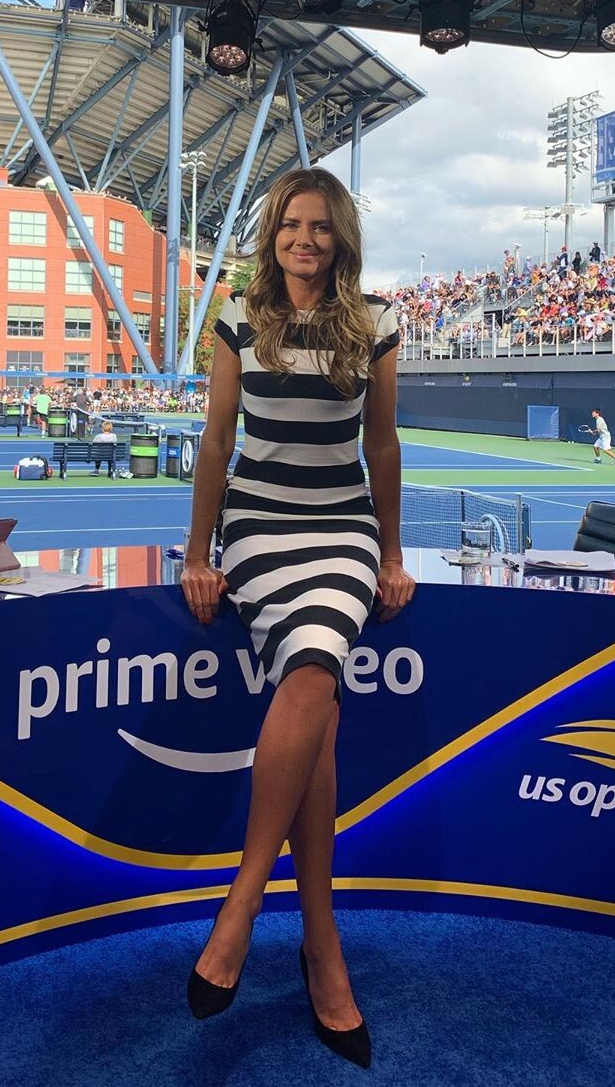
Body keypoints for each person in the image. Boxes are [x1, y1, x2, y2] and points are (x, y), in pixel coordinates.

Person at [179, 167, 415, 1068]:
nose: (304, 240)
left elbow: (382, 444)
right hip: (259, 528)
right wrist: (197, 553)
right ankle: (322, 946)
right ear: (271, 234)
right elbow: (216, 440)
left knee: (313, 666)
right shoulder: (237, 317)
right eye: (290, 225)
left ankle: (242, 904)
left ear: (339, 238)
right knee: (318, 702)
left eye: (319, 226)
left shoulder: (378, 323)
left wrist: (390, 555)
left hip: (342, 531)